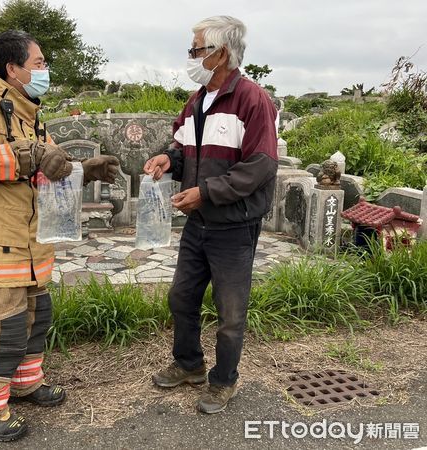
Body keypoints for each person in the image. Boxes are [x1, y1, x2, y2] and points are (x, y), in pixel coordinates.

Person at [0, 30, 119, 441]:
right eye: (40, 63)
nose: (45, 70)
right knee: (1, 330)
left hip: (30, 248)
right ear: (13, 68)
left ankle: (25, 384)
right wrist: (31, 155)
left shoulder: (30, 116)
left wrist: (84, 169)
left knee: (34, 320)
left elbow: (50, 170)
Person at [144, 15, 278, 414]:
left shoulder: (252, 100)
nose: (191, 56)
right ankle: (190, 365)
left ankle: (224, 381)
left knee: (230, 311)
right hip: (198, 223)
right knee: (181, 297)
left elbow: (260, 167)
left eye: (196, 49)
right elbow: (185, 150)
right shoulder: (197, 100)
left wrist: (205, 193)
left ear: (221, 53)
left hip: (233, 227)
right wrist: (168, 160)